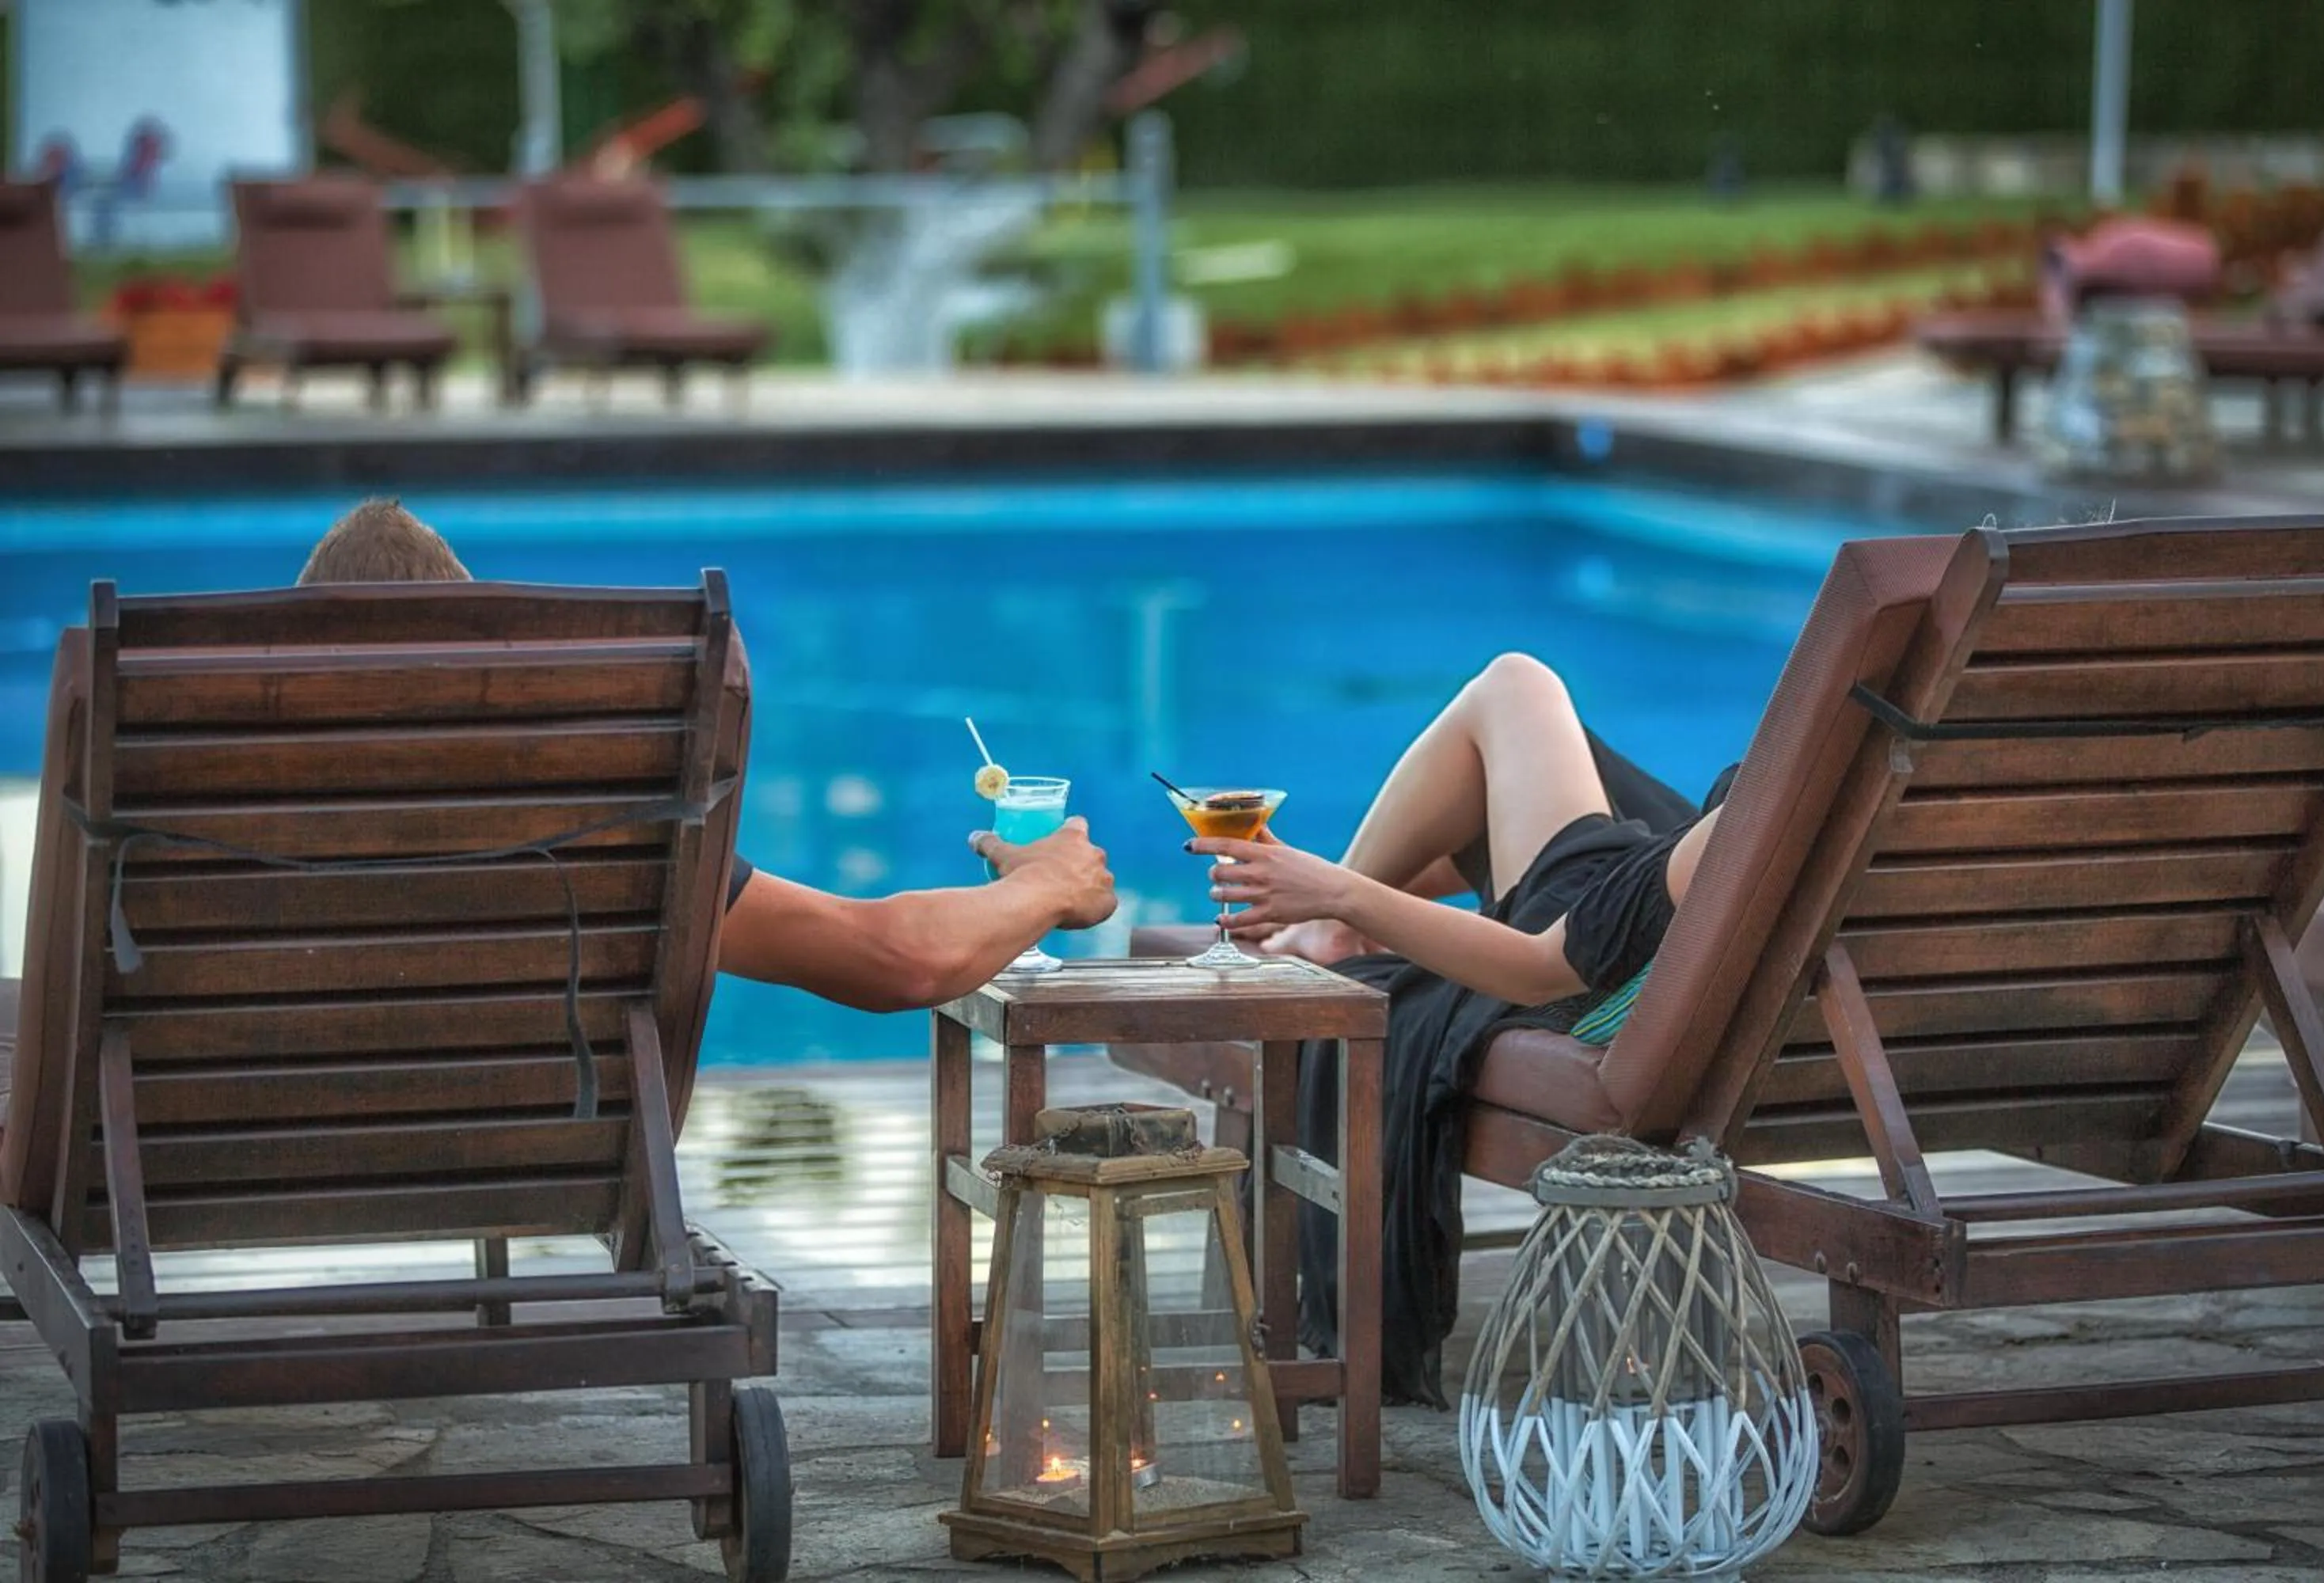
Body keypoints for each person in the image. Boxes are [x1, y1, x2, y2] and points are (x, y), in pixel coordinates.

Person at [297, 499, 1118, 1011]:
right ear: (484, 664)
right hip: (537, 1161)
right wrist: (1048, 880)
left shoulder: (192, 829)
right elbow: (893, 958)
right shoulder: (595, 826)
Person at [1185, 653, 1734, 1405]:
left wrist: (1341, 893)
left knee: (1517, 685)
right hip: (1696, 945)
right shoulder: (1885, 803)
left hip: (1589, 969)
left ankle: (1328, 932)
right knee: (1526, 751)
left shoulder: (1762, 813)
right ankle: (1328, 918)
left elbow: (1541, 970)